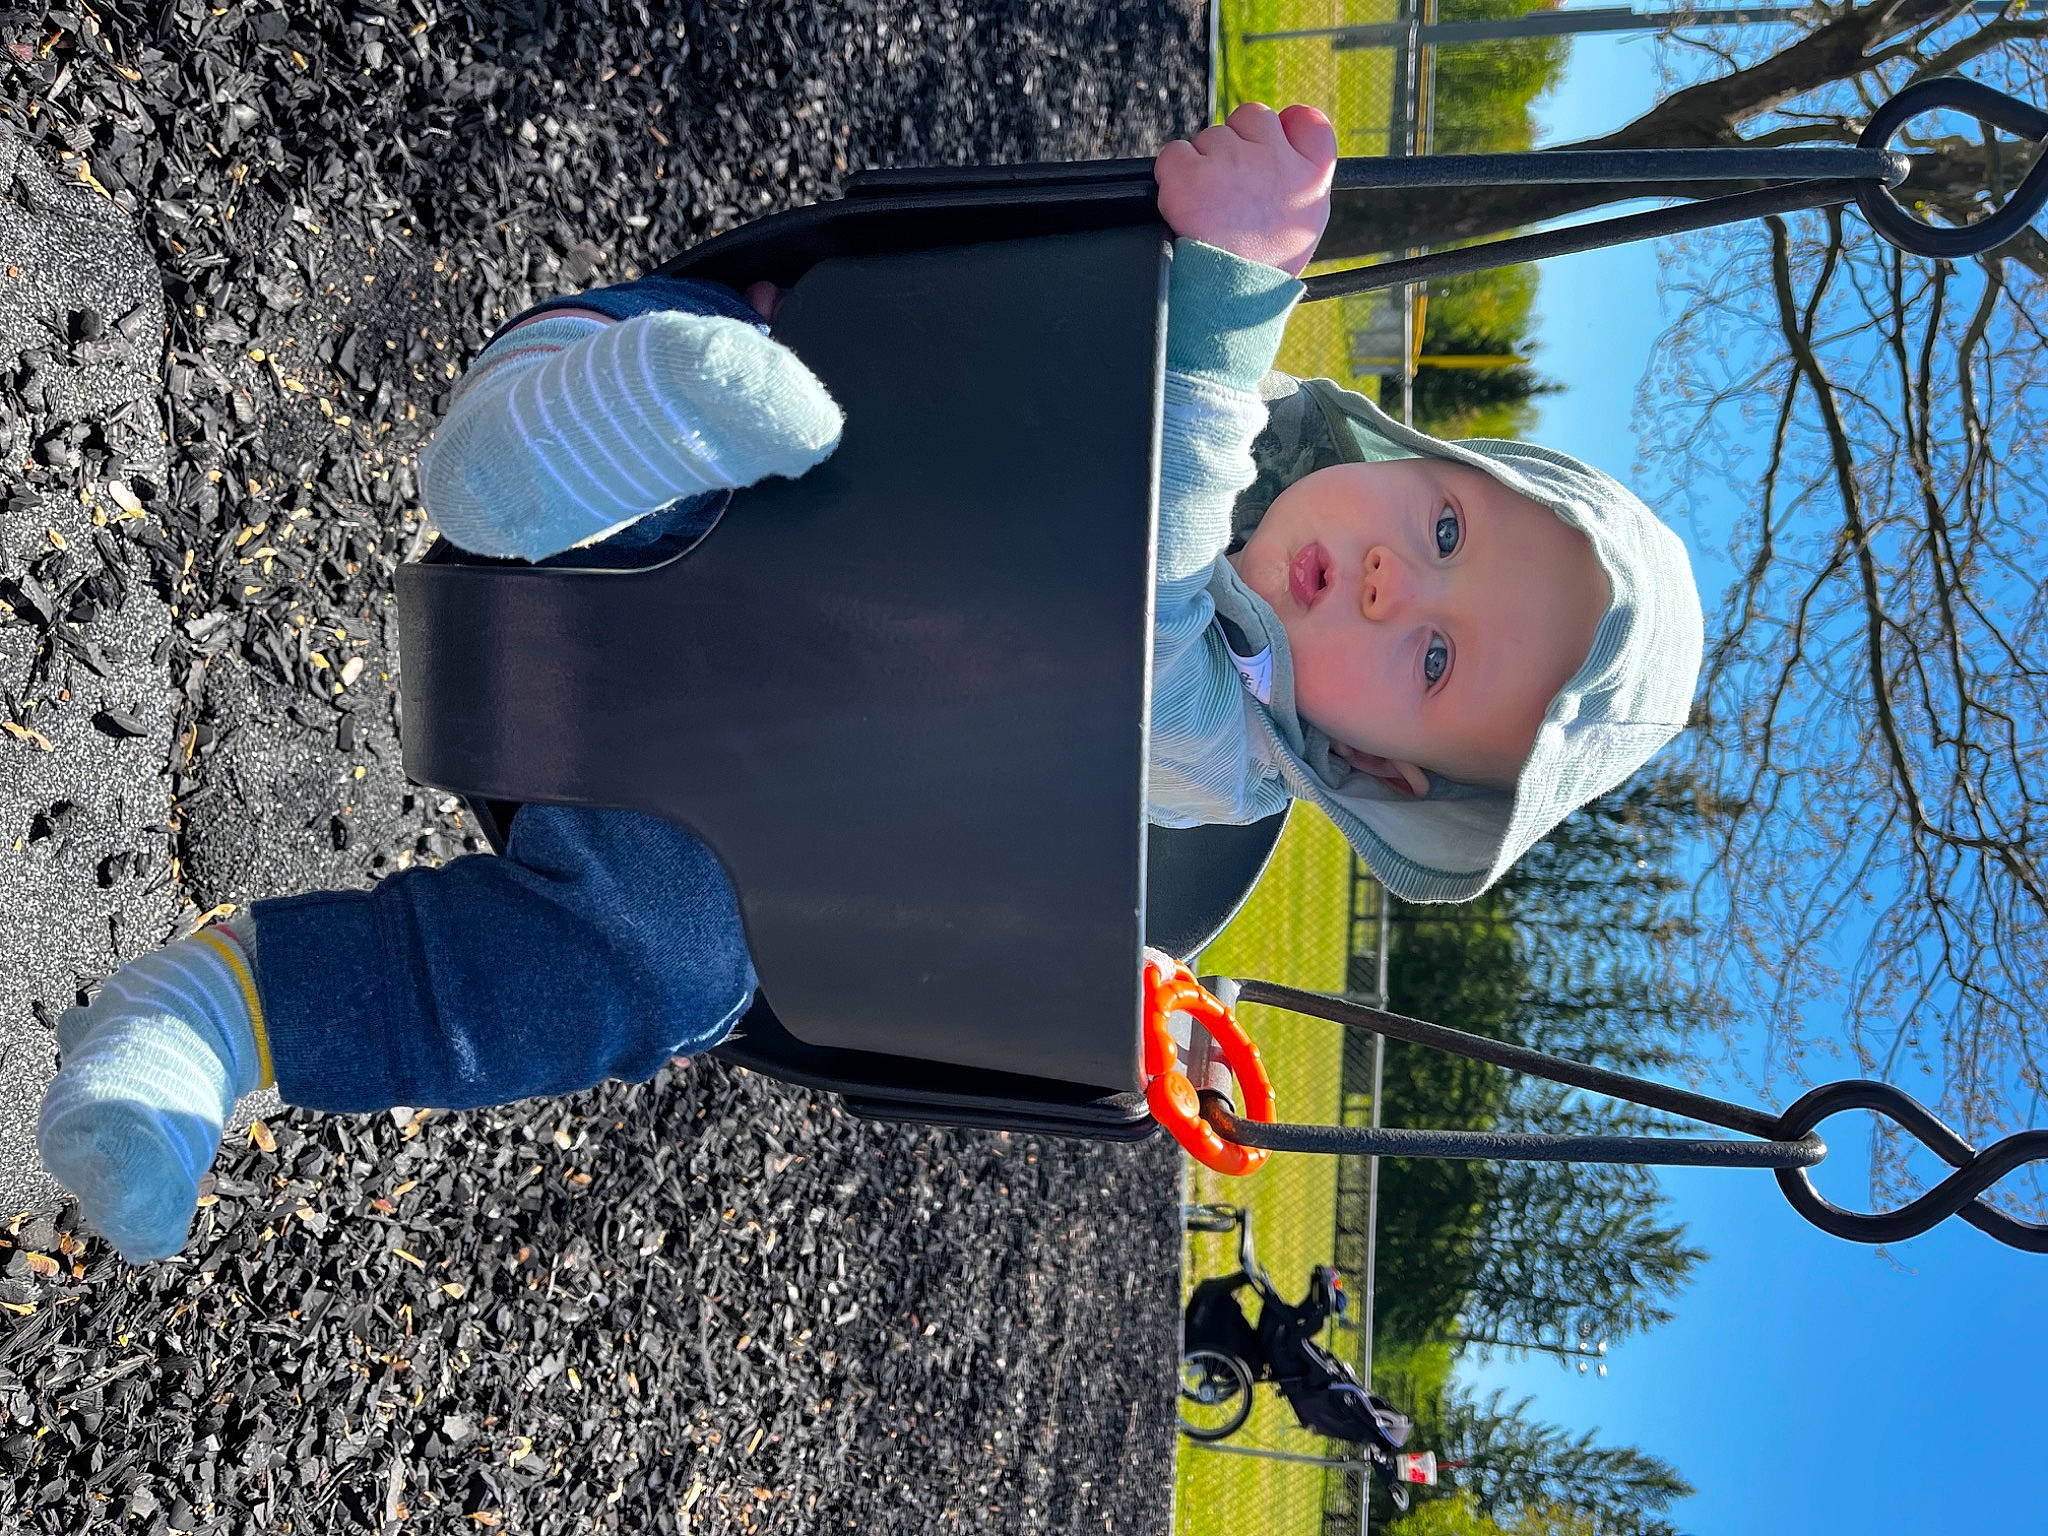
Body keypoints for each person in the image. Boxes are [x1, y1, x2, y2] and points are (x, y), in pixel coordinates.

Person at [35, 103, 1702, 1263]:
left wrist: (1227, 300)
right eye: (1446, 523)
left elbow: (1116, 655)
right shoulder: (1237, 408)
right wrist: (1207, 315)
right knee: (752, 387)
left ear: (1385, 778)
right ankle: (547, 452)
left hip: (733, 776)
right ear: (1426, 462)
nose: (1405, 576)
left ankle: (229, 1019)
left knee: (668, 979)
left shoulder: (1234, 755)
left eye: (1431, 658)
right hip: (752, 496)